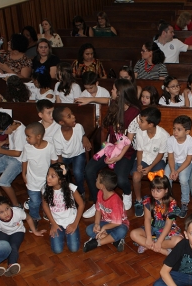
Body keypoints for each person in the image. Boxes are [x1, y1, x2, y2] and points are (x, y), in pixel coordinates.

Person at [80, 79, 140, 218]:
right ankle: (97, 204)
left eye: (113, 89)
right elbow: (105, 99)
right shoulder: (114, 104)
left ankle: (127, 193)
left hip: (126, 151)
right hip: (110, 147)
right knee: (89, 170)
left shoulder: (134, 113)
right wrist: (89, 100)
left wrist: (118, 157)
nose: (111, 91)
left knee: (120, 179)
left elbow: (129, 140)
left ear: (120, 94)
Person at [0, 196, 45, 276]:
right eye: (1, 212)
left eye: (7, 209)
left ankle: (11, 265)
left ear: (10, 206)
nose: (6, 213)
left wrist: (35, 231)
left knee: (13, 246)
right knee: (0, 247)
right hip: (2, 232)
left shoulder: (18, 212)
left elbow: (28, 218)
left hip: (17, 231)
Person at [130, 174, 182, 255]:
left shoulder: (172, 203)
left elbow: (168, 224)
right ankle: (164, 251)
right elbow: (147, 219)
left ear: (166, 190)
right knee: (133, 234)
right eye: (152, 190)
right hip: (152, 228)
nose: (155, 193)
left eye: (158, 191)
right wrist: (149, 237)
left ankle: (148, 245)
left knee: (178, 241)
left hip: (167, 229)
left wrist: (159, 241)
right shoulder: (148, 200)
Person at [0, 112, 26, 209]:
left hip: (18, 161)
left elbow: (18, 153)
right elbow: (14, 141)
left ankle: (16, 205)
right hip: (9, 155)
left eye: (2, 132)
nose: (2, 134)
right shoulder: (14, 124)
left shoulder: (21, 132)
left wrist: (1, 151)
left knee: (3, 182)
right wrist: (4, 142)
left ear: (9, 126)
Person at [131, 107, 169, 217]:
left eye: (142, 121)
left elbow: (160, 154)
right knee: (136, 176)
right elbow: (139, 151)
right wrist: (139, 165)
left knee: (158, 179)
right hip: (143, 159)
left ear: (151, 124)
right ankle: (138, 200)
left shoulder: (163, 135)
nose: (139, 123)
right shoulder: (140, 132)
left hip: (156, 160)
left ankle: (158, 202)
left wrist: (150, 168)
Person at [42, 163, 85, 254]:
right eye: (48, 175)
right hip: (56, 221)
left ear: (61, 180)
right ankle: (61, 231)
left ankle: (70, 232)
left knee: (74, 249)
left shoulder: (71, 188)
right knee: (57, 250)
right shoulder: (46, 189)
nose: (48, 178)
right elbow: (45, 205)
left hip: (71, 220)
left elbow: (81, 204)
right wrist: (53, 223)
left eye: (52, 176)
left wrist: (75, 224)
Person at [83, 169, 129, 252]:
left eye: (97, 179)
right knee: (89, 229)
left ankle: (98, 243)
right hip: (106, 222)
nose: (96, 180)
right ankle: (114, 240)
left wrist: (104, 228)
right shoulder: (100, 193)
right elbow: (98, 210)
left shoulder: (115, 201)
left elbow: (117, 222)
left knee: (122, 231)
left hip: (119, 224)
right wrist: (97, 224)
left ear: (102, 186)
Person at [21, 122, 57, 222]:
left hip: (47, 180)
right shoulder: (27, 148)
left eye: (28, 136)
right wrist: (23, 174)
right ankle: (34, 217)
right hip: (32, 180)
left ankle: (47, 212)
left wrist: (54, 176)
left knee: (48, 199)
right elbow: (24, 161)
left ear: (38, 136)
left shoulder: (50, 146)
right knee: (35, 202)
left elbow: (54, 161)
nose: (26, 139)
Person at [52, 107, 91, 198]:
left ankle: (81, 191)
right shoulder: (57, 137)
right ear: (61, 122)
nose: (73, 117)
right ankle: (68, 192)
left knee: (78, 173)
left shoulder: (78, 127)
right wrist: (62, 167)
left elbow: (83, 134)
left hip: (78, 154)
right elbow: (59, 155)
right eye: (69, 116)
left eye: (72, 114)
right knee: (63, 174)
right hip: (65, 157)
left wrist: (84, 138)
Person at [165, 115, 192, 218]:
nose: (175, 132)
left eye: (179, 129)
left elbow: (188, 160)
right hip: (174, 162)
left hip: (186, 163)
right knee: (166, 176)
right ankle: (168, 200)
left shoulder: (191, 142)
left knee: (183, 179)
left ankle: (184, 203)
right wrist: (173, 170)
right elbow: (171, 157)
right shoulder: (170, 140)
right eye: (174, 129)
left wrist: (177, 171)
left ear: (187, 132)